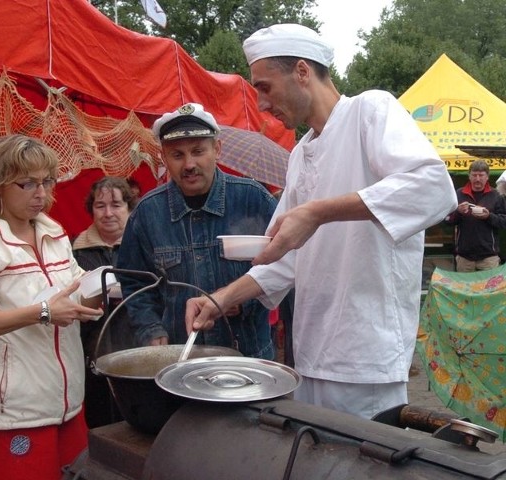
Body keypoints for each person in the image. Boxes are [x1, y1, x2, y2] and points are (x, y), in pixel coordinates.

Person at [185, 24, 458, 419]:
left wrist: (317, 212)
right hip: (310, 355)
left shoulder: (371, 110)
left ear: (301, 72)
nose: (261, 104)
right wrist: (220, 298)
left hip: (365, 362)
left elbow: (433, 188)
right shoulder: (300, 153)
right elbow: (281, 255)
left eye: (264, 87)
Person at [0, 134, 104, 480]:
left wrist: (99, 290)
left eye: (46, 182)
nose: (41, 194)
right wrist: (42, 312)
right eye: (27, 184)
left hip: (67, 405)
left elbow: (74, 287)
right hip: (12, 415)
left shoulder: (52, 232)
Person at [116, 103, 278, 359]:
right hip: (182, 359)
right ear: (164, 158)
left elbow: (284, 265)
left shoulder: (253, 199)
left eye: (198, 151)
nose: (189, 164)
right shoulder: (147, 213)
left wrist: (242, 299)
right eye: (177, 155)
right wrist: (151, 328)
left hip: (247, 357)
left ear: (217, 149)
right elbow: (134, 281)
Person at [72, 176, 136, 428]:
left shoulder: (143, 247)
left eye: (116, 205)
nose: (108, 213)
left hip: (136, 349)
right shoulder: (72, 250)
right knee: (99, 425)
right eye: (100, 205)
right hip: (90, 354)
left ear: (129, 208)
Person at [445, 160, 506, 272]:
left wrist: (489, 216)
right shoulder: (459, 194)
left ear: (487, 177)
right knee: (464, 289)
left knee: (489, 289)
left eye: (481, 175)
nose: (477, 179)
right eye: (474, 175)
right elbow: (447, 220)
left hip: (489, 257)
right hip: (464, 258)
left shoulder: (496, 195)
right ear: (469, 176)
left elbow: (504, 222)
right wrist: (458, 212)